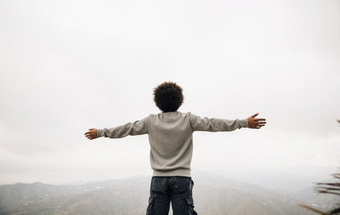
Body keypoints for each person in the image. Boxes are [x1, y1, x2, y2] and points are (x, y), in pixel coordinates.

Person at [84, 82, 266, 215]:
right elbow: (214, 124)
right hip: (182, 179)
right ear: (180, 101)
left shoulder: (151, 121)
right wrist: (244, 123)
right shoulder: (188, 119)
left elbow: (126, 129)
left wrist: (100, 132)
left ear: (157, 102)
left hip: (158, 180)